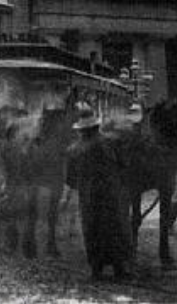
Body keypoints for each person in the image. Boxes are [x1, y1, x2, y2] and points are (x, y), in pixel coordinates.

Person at [66, 108, 132, 281]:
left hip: (88, 197)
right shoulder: (110, 142)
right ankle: (119, 267)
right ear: (96, 127)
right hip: (111, 194)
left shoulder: (74, 149)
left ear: (81, 130)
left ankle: (96, 268)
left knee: (92, 230)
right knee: (115, 228)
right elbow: (124, 165)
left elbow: (70, 179)